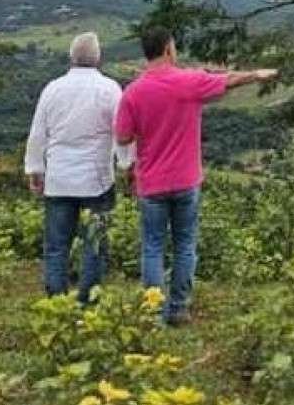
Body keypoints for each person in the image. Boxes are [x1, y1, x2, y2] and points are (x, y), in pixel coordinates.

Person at [113, 25, 277, 325]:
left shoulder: (133, 92)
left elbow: (122, 139)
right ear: (167, 49)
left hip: (151, 183)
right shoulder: (188, 82)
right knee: (185, 244)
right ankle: (178, 308)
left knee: (152, 247)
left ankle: (153, 314)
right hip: (186, 179)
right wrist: (256, 74)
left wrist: (145, 129)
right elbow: (227, 82)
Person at [24, 31, 126, 303]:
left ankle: (56, 300)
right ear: (98, 57)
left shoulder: (53, 88)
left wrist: (35, 169)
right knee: (94, 243)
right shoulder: (110, 89)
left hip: (59, 178)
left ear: (71, 57)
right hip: (97, 179)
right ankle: (87, 301)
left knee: (57, 245)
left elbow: (38, 134)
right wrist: (127, 163)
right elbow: (121, 132)